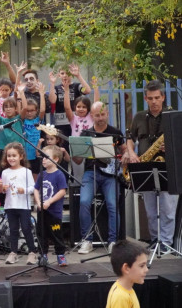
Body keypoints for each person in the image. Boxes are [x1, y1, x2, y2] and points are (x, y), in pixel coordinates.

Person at [127, 80, 179, 253]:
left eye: (157, 97)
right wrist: (132, 153)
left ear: (163, 97)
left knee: (168, 210)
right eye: (150, 98)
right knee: (150, 210)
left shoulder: (173, 117)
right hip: (145, 165)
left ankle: (166, 243)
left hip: (168, 167)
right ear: (146, 99)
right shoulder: (139, 117)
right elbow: (129, 137)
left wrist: (170, 146)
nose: (154, 101)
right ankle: (155, 239)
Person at [75, 102, 127, 254]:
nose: (100, 118)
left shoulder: (115, 132)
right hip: (91, 172)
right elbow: (78, 160)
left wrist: (125, 156)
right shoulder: (86, 134)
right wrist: (76, 150)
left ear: (107, 114)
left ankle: (112, 241)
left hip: (110, 175)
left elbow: (124, 151)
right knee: (84, 201)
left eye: (102, 114)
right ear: (92, 116)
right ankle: (87, 240)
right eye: (97, 115)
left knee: (112, 204)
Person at [0, 142, 37, 265]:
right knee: (13, 229)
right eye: (9, 156)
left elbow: (33, 187)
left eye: (14, 155)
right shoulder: (5, 172)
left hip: (23, 205)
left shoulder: (26, 171)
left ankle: (32, 252)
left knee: (26, 228)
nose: (11, 158)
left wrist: (24, 190)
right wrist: (3, 189)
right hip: (10, 205)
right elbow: (3, 190)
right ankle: (13, 252)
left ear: (21, 156)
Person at [33, 145, 68, 266]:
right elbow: (36, 189)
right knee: (41, 234)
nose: (43, 159)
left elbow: (62, 191)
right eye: (42, 157)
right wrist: (38, 202)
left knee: (56, 233)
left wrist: (49, 202)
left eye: (46, 157)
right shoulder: (42, 174)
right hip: (42, 211)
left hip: (54, 212)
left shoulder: (59, 174)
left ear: (56, 159)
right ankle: (43, 255)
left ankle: (60, 255)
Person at [49, 64, 92, 140]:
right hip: (60, 123)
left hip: (75, 122)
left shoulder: (76, 86)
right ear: (59, 75)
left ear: (71, 75)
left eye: (67, 73)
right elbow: (52, 100)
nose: (65, 75)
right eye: (62, 73)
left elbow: (87, 90)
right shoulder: (56, 88)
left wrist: (78, 76)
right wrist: (52, 84)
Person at [106, 240, 149, 308]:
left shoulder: (127, 289)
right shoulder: (120, 296)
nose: (146, 270)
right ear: (126, 268)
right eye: (142, 266)